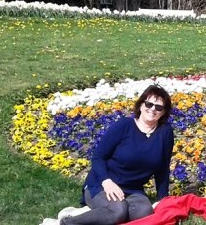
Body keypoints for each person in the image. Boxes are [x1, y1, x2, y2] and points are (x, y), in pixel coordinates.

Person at [56, 85, 175, 225]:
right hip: (102, 184)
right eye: (149, 104)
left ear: (164, 112)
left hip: (133, 190)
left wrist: (162, 201)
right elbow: (98, 157)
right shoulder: (124, 125)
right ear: (141, 105)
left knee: (144, 213)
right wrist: (107, 182)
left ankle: (100, 215)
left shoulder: (165, 133)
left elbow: (162, 169)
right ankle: (68, 222)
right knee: (118, 211)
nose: (153, 109)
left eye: (159, 107)